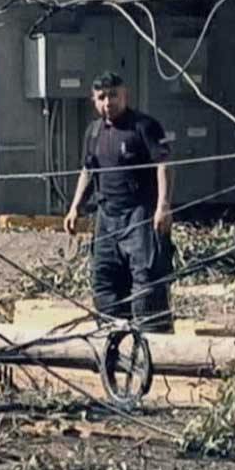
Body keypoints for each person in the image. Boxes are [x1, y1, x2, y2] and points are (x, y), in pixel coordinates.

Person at [63, 71, 176, 334]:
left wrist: (163, 206)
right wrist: (74, 208)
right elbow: (88, 171)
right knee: (104, 281)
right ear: (94, 100)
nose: (108, 102)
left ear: (125, 94)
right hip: (106, 216)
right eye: (101, 97)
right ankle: (112, 340)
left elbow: (164, 164)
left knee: (146, 279)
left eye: (113, 95)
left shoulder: (144, 126)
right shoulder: (93, 132)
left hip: (140, 213)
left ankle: (153, 342)